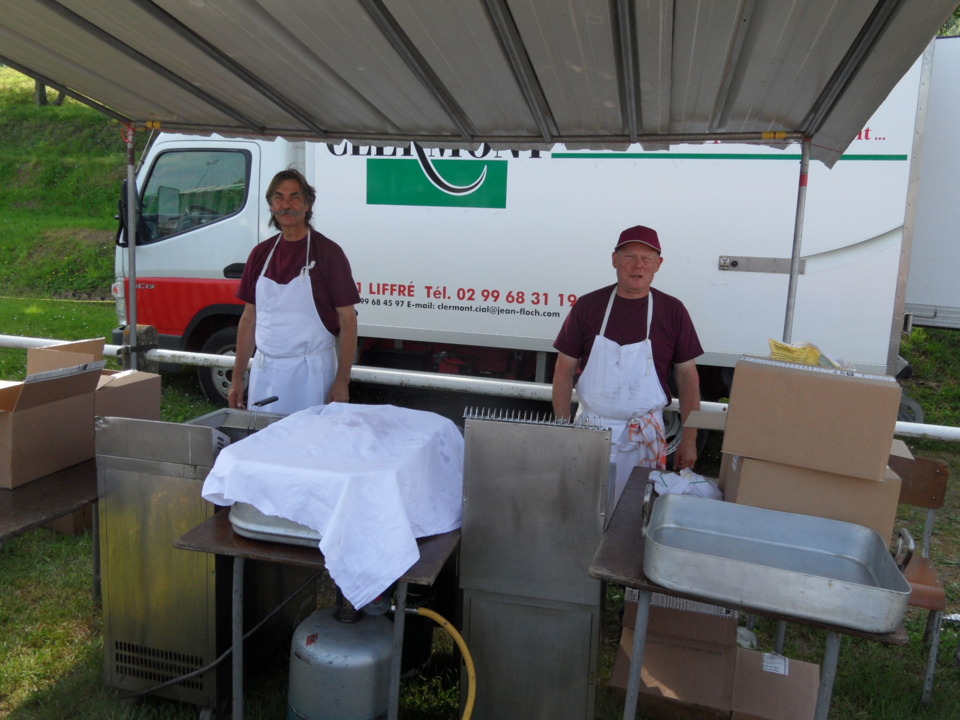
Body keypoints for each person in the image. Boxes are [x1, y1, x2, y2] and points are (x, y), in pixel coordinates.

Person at [552, 225, 703, 502]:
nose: (638, 266)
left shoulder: (673, 311)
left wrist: (690, 439)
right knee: (582, 509)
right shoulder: (588, 306)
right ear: (614, 260)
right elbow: (564, 370)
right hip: (591, 432)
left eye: (646, 259)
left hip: (644, 439)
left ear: (658, 265)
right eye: (629, 257)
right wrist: (563, 429)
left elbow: (688, 378)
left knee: (632, 518)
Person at [228, 168, 360, 415]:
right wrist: (237, 376)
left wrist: (342, 381)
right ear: (271, 205)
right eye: (278, 198)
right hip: (265, 372)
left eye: (294, 197)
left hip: (312, 374)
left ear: (308, 204)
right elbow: (249, 320)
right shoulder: (261, 254)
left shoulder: (329, 253)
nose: (286, 205)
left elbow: (348, 320)